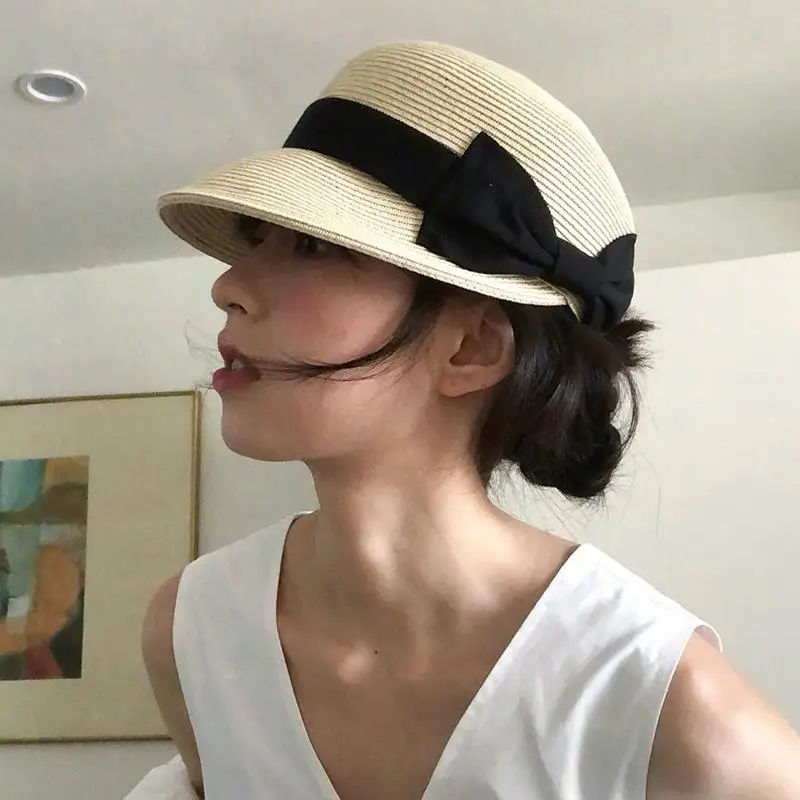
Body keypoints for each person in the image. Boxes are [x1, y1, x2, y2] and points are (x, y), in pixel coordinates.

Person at [133, 41, 800, 800]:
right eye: (258, 240)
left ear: (473, 347)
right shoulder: (194, 632)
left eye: (313, 246)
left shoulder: (669, 709)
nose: (227, 286)